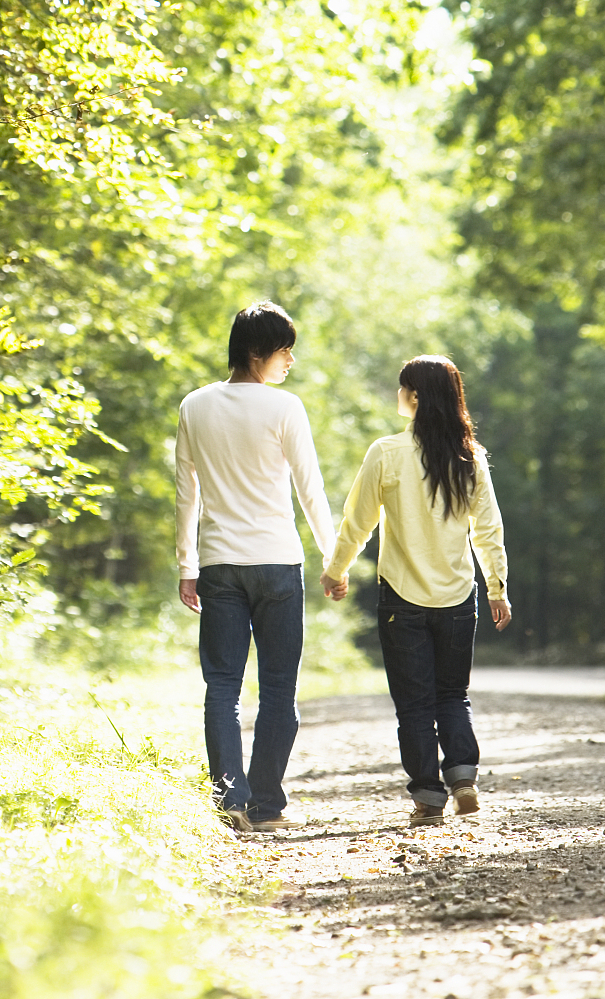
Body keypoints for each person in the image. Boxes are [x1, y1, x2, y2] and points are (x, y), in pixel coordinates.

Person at [321, 354, 511, 825]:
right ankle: (463, 774)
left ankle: (428, 795)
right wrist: (497, 587)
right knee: (453, 695)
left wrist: (335, 570)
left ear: (416, 396)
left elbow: (357, 521)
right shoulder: (470, 456)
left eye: (401, 387)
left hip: (401, 598)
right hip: (456, 596)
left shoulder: (386, 452)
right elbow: (488, 530)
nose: (397, 394)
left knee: (414, 703)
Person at [176, 300, 337, 834]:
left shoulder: (194, 405)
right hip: (277, 565)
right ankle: (266, 805)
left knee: (221, 686)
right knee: (277, 689)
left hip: (220, 564)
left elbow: (187, 494)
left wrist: (187, 563)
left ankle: (231, 801)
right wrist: (333, 557)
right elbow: (309, 489)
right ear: (255, 353)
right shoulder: (284, 408)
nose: (289, 361)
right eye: (283, 351)